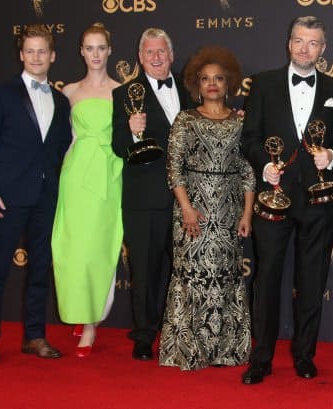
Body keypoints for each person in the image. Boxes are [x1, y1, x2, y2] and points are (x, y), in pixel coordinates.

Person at [240, 16, 333, 384]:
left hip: (319, 199)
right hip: (274, 197)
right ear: (289, 43)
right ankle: (262, 359)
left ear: (323, 48)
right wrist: (263, 166)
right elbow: (249, 138)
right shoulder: (263, 85)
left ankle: (305, 355)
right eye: (299, 41)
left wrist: (330, 158)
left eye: (313, 43)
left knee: (312, 280)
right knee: (267, 278)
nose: (305, 49)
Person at [0, 24, 71, 365]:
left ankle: (34, 336)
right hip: (7, 198)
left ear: (53, 55)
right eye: (29, 51)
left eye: (42, 51)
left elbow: (59, 149)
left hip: (46, 198)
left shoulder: (60, 101)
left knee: (40, 269)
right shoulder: (0, 94)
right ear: (21, 55)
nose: (36, 57)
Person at [158, 45, 255, 370]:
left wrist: (246, 212)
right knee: (191, 276)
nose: (212, 84)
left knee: (226, 277)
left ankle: (226, 350)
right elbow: (174, 166)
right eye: (205, 79)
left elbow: (247, 170)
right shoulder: (184, 120)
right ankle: (188, 350)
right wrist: (186, 207)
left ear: (229, 84)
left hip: (228, 211)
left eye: (218, 78)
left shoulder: (241, 122)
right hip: (193, 211)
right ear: (196, 85)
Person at [111, 28, 192, 361]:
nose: (156, 58)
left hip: (187, 200)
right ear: (140, 57)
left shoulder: (190, 90)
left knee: (185, 271)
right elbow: (117, 147)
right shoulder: (125, 94)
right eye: (149, 53)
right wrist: (131, 134)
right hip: (144, 201)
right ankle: (144, 336)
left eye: (162, 51)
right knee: (144, 272)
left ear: (171, 55)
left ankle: (182, 333)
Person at [51, 23, 122, 359]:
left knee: (99, 249)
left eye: (100, 48)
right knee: (73, 248)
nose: (95, 54)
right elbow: (62, 140)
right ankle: (81, 312)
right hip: (76, 175)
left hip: (109, 175)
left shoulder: (122, 91)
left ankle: (92, 322)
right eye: (89, 48)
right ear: (81, 51)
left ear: (109, 51)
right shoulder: (68, 92)